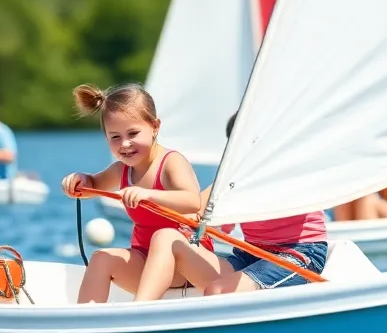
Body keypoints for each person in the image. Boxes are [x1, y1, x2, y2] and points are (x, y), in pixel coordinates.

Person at [62, 83, 208, 304]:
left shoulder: (171, 162)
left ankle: (138, 314)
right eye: (115, 137)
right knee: (100, 259)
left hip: (184, 263)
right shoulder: (122, 169)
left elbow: (192, 201)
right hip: (145, 258)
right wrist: (80, 181)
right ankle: (86, 326)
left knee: (164, 241)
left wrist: (148, 194)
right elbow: (93, 185)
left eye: (133, 133)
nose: (125, 144)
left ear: (155, 127)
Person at [168, 111, 329, 295]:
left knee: (218, 290)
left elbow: (263, 200)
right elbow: (199, 207)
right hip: (252, 253)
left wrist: (225, 200)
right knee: (177, 249)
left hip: (299, 253)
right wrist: (190, 220)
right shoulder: (237, 179)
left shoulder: (287, 170)